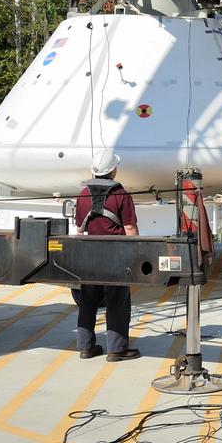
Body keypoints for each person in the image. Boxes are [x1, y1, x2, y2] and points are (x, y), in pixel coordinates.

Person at [74, 148, 141, 362]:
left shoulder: (83, 194)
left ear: (93, 171)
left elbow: (79, 229)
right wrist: (136, 255)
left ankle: (86, 347)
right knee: (117, 302)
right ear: (113, 171)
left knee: (87, 301)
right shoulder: (120, 194)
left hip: (89, 256)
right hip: (116, 255)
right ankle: (117, 349)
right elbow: (130, 229)